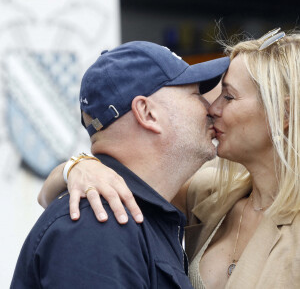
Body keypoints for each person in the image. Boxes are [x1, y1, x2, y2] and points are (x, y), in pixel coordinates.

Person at [38, 28, 300, 289]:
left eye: (229, 96)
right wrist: (77, 167)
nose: (213, 108)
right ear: (147, 113)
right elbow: (55, 197)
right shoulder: (210, 195)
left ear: (284, 112)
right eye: (202, 95)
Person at [11, 41, 229, 288]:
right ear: (147, 113)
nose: (211, 108)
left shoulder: (129, 216)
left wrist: (71, 167)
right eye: (196, 94)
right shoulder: (100, 223)